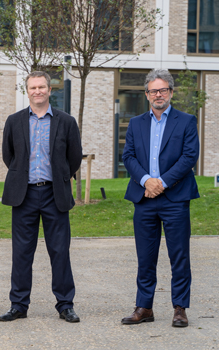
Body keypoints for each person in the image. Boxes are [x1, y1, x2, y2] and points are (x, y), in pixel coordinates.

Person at [0, 71, 82, 324]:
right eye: (33, 87)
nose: (37, 91)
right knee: (22, 252)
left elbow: (74, 157)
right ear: (28, 91)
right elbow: (8, 155)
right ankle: (18, 305)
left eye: (42, 87)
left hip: (54, 193)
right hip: (23, 195)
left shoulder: (66, 121)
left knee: (59, 251)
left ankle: (65, 304)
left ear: (49, 89)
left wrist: (60, 176)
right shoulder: (14, 121)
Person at [121, 69, 199, 328]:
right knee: (145, 256)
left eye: (163, 90)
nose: (158, 94)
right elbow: (128, 157)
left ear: (171, 92)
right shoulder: (135, 123)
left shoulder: (186, 121)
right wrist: (146, 181)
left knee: (179, 256)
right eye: (153, 90)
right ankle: (144, 307)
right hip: (144, 197)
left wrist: (162, 183)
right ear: (146, 94)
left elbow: (189, 157)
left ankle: (179, 308)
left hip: (175, 198)